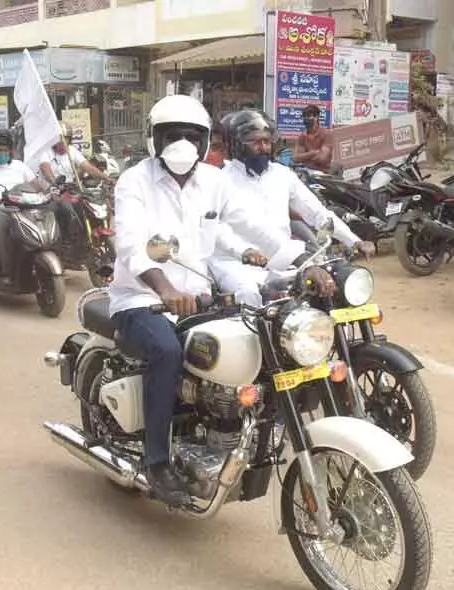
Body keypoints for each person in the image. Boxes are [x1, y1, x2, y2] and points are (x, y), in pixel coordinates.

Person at [108, 94, 334, 505]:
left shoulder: (214, 182)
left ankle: (230, 429)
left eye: (191, 136)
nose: (181, 144)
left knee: (257, 341)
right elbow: (129, 243)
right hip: (141, 299)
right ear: (153, 139)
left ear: (205, 140)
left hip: (198, 296)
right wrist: (165, 289)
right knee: (165, 351)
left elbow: (255, 228)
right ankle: (157, 461)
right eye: (171, 135)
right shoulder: (134, 181)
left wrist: (303, 263)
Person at [210, 109, 375, 307]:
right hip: (235, 264)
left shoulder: (282, 175)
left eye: (266, 141)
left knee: (328, 291)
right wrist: (301, 260)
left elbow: (316, 211)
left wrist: (353, 241)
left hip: (280, 262)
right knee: (249, 295)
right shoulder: (221, 180)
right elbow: (252, 228)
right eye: (255, 142)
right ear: (236, 145)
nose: (263, 147)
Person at [0, 128, 48, 277]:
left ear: (11, 151)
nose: (2, 153)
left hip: (24, 207)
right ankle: (6, 268)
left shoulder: (20, 166)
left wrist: (50, 189)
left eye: (5, 150)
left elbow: (37, 184)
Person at [38, 123, 112, 185]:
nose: (63, 142)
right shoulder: (46, 152)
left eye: (65, 139)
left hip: (68, 189)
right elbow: (46, 169)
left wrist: (107, 179)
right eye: (59, 139)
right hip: (51, 190)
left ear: (69, 140)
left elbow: (89, 168)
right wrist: (54, 181)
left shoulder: (72, 150)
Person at [292, 104, 332, 171]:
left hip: (323, 172)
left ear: (316, 117)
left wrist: (305, 156)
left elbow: (322, 159)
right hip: (306, 171)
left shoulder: (326, 134)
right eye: (304, 117)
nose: (306, 119)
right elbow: (296, 158)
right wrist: (313, 153)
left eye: (308, 116)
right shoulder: (302, 136)